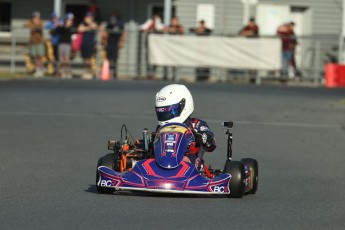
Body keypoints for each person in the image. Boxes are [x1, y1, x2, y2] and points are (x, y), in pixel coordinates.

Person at [154, 84, 216, 167]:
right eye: (162, 113)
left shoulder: (196, 124)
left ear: (184, 106)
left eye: (169, 112)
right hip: (165, 161)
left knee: (185, 159)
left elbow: (211, 145)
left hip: (191, 164)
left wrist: (203, 138)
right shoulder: (161, 129)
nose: (166, 116)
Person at [102, 12, 126, 79]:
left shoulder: (119, 25)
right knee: (108, 59)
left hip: (116, 44)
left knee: (115, 59)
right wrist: (104, 42)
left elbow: (124, 33)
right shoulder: (108, 26)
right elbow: (104, 34)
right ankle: (108, 73)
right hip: (109, 44)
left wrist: (121, 42)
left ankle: (115, 73)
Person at [140, 14, 165, 79]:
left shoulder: (160, 24)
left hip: (157, 46)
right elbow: (142, 28)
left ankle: (153, 73)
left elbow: (160, 29)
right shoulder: (149, 23)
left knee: (155, 59)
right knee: (148, 59)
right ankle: (148, 73)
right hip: (149, 45)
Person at [162, 16, 185, 81]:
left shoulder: (179, 27)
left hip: (177, 48)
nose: (173, 22)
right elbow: (163, 29)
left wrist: (176, 30)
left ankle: (176, 76)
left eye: (175, 21)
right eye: (172, 21)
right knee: (167, 62)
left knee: (176, 63)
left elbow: (182, 31)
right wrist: (169, 29)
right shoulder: (169, 26)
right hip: (169, 48)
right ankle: (166, 75)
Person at [23, 11, 45, 77]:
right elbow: (24, 25)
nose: (35, 19)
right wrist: (31, 24)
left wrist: (34, 26)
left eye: (37, 17)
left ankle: (41, 70)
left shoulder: (41, 23)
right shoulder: (31, 22)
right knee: (35, 57)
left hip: (40, 42)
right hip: (33, 43)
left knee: (40, 57)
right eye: (34, 17)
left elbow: (39, 27)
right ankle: (37, 70)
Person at [78, 12, 98, 79]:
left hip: (91, 43)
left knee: (90, 58)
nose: (87, 19)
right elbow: (80, 29)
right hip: (84, 43)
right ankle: (86, 71)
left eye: (88, 17)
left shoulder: (94, 23)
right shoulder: (82, 23)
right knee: (84, 58)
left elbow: (94, 26)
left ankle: (91, 72)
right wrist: (88, 27)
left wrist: (87, 26)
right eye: (86, 17)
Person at [55, 13, 74, 78]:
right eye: (69, 19)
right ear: (66, 20)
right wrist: (59, 25)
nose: (70, 21)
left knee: (67, 59)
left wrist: (67, 26)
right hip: (61, 44)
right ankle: (59, 72)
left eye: (71, 20)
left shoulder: (72, 27)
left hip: (67, 44)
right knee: (61, 59)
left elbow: (70, 31)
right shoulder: (61, 27)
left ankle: (68, 72)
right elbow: (57, 30)